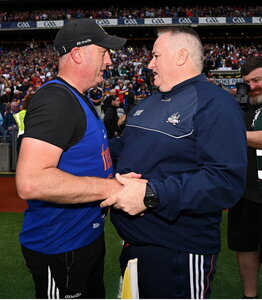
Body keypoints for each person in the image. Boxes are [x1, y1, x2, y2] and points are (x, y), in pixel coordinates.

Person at [100, 27, 247, 299]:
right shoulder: (151, 101)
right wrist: (84, 152)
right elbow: (127, 145)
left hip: (178, 249)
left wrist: (151, 195)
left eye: (155, 55)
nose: (149, 64)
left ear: (181, 56)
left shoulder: (215, 103)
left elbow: (226, 181)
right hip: (134, 244)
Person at [15, 19, 127, 299]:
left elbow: (87, 154)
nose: (110, 60)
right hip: (60, 246)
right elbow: (31, 182)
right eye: (103, 52)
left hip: (83, 238)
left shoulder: (77, 97)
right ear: (78, 54)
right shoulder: (57, 101)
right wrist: (111, 188)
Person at [228, 56, 262, 299]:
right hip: (245, 191)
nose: (252, 86)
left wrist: (234, 135)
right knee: (245, 246)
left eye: (257, 79)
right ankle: (249, 296)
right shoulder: (242, 105)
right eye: (247, 81)